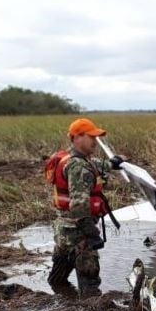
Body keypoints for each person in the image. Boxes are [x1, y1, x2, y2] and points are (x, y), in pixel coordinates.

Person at [46, 118, 123, 293]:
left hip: (63, 232)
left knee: (57, 280)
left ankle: (61, 302)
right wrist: (92, 234)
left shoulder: (70, 158)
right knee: (90, 288)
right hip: (79, 234)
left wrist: (114, 163)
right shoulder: (79, 167)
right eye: (92, 137)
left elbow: (97, 165)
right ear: (78, 138)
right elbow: (79, 206)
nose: (95, 141)